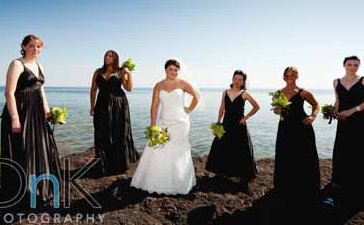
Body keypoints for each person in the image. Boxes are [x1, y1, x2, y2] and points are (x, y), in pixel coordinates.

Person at [0, 35, 61, 207]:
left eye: (39, 47)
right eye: (32, 46)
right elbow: (9, 93)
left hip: (37, 112)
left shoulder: (40, 65)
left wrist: (47, 112)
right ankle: (21, 192)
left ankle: (40, 188)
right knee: (22, 150)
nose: (36, 50)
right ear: (24, 46)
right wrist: (15, 118)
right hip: (21, 112)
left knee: (39, 149)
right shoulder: (17, 64)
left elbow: (41, 91)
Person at [131, 59, 200, 195]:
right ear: (165, 70)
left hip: (181, 122)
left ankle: (179, 182)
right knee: (157, 149)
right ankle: (158, 181)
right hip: (163, 121)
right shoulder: (158, 85)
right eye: (171, 69)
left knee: (178, 151)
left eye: (176, 70)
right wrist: (152, 124)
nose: (173, 72)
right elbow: (155, 105)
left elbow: (196, 96)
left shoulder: (183, 83)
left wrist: (189, 109)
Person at [326, 55, 364, 206]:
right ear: (344, 65)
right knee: (344, 149)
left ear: (359, 66)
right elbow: (338, 100)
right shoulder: (336, 82)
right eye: (349, 64)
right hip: (345, 121)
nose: (352, 67)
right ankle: (342, 181)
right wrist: (334, 112)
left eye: (355, 65)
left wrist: (352, 111)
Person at [206, 70, 260, 193]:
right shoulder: (225, 92)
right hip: (226, 124)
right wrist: (218, 122)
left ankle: (243, 179)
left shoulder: (244, 93)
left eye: (240, 79)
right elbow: (222, 108)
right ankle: (221, 172)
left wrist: (245, 118)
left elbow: (256, 106)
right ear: (232, 79)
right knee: (222, 147)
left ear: (243, 82)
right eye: (236, 78)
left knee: (241, 150)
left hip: (239, 126)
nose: (237, 81)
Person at [272, 66, 321, 203]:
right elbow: (276, 111)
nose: (289, 78)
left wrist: (312, 117)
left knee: (304, 155)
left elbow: (316, 105)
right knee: (285, 154)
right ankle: (285, 185)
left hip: (302, 127)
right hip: (285, 128)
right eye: (287, 76)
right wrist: (278, 109)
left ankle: (305, 186)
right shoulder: (278, 93)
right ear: (284, 77)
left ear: (296, 76)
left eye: (292, 76)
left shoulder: (304, 92)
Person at [90, 50, 139, 176]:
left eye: (111, 56)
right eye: (106, 55)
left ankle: (119, 163)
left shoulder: (121, 71)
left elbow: (129, 88)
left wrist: (129, 74)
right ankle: (104, 163)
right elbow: (93, 90)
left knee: (119, 131)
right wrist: (92, 106)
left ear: (116, 58)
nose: (107, 57)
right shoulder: (98, 71)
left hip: (118, 104)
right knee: (102, 132)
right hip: (101, 104)